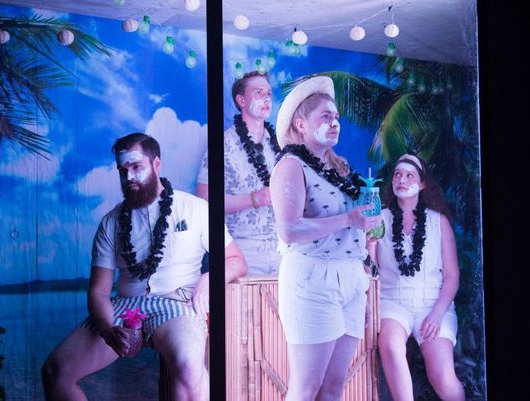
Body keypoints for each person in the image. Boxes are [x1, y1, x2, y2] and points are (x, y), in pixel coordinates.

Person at [42, 133, 247, 401]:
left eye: (136, 167)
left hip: (177, 301)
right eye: (123, 170)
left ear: (156, 164)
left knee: (188, 366)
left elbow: (236, 261)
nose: (129, 177)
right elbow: (99, 292)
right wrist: (107, 329)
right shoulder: (111, 222)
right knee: (54, 371)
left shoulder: (196, 209)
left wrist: (209, 279)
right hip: (125, 304)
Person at [269, 76, 382, 401]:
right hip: (312, 280)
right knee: (306, 388)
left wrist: (362, 282)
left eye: (336, 117)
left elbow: (357, 233)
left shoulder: (341, 169)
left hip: (351, 280)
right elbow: (289, 230)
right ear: (301, 124)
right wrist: (348, 219)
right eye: (325, 117)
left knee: (333, 387)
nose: (334, 123)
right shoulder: (291, 166)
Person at [373, 153, 465, 401]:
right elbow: (371, 271)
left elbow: (452, 276)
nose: (401, 180)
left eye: (409, 175)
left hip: (433, 304)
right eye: (397, 175)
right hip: (392, 302)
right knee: (391, 346)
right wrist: (369, 244)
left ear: (422, 184)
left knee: (442, 377)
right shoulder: (379, 219)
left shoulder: (438, 222)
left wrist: (437, 314)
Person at [196, 71, 282, 275]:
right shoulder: (223, 144)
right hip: (241, 251)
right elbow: (203, 201)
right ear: (241, 100)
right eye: (259, 93)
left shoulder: (281, 143)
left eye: (269, 93)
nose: (266, 98)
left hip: (282, 250)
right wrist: (253, 199)